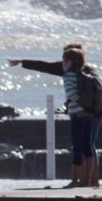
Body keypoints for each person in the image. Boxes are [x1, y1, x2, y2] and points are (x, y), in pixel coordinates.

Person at [9, 45, 100, 189]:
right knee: (89, 146)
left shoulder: (70, 72)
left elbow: (45, 67)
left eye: (63, 57)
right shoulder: (88, 71)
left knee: (82, 146)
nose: (61, 61)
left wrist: (79, 104)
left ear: (69, 60)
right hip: (93, 112)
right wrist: (22, 62)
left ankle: (82, 180)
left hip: (85, 112)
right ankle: (91, 181)